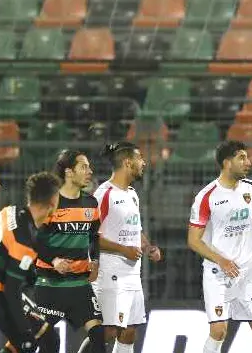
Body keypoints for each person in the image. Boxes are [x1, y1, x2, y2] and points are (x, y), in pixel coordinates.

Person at [186, 141, 252, 353]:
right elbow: (193, 240)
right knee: (218, 331)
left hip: (249, 272)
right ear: (227, 163)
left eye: (247, 157)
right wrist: (221, 260)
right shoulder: (206, 197)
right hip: (219, 273)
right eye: (242, 158)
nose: (248, 162)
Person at [0, 172, 63, 353]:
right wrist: (25, 331)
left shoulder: (11, 211)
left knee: (35, 338)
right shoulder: (23, 241)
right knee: (39, 339)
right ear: (52, 203)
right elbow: (12, 291)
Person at [31, 150, 106, 353]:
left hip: (80, 285)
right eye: (84, 167)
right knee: (46, 343)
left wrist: (96, 261)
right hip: (49, 285)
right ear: (69, 172)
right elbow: (35, 240)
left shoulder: (91, 203)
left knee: (99, 336)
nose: (90, 171)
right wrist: (54, 260)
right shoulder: (48, 203)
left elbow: (94, 236)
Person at [93, 142, 163, 353]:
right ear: (127, 162)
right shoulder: (103, 194)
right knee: (109, 331)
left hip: (132, 273)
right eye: (140, 158)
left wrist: (148, 247)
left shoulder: (132, 194)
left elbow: (135, 230)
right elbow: (91, 237)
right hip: (110, 271)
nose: (144, 163)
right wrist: (123, 250)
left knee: (130, 331)